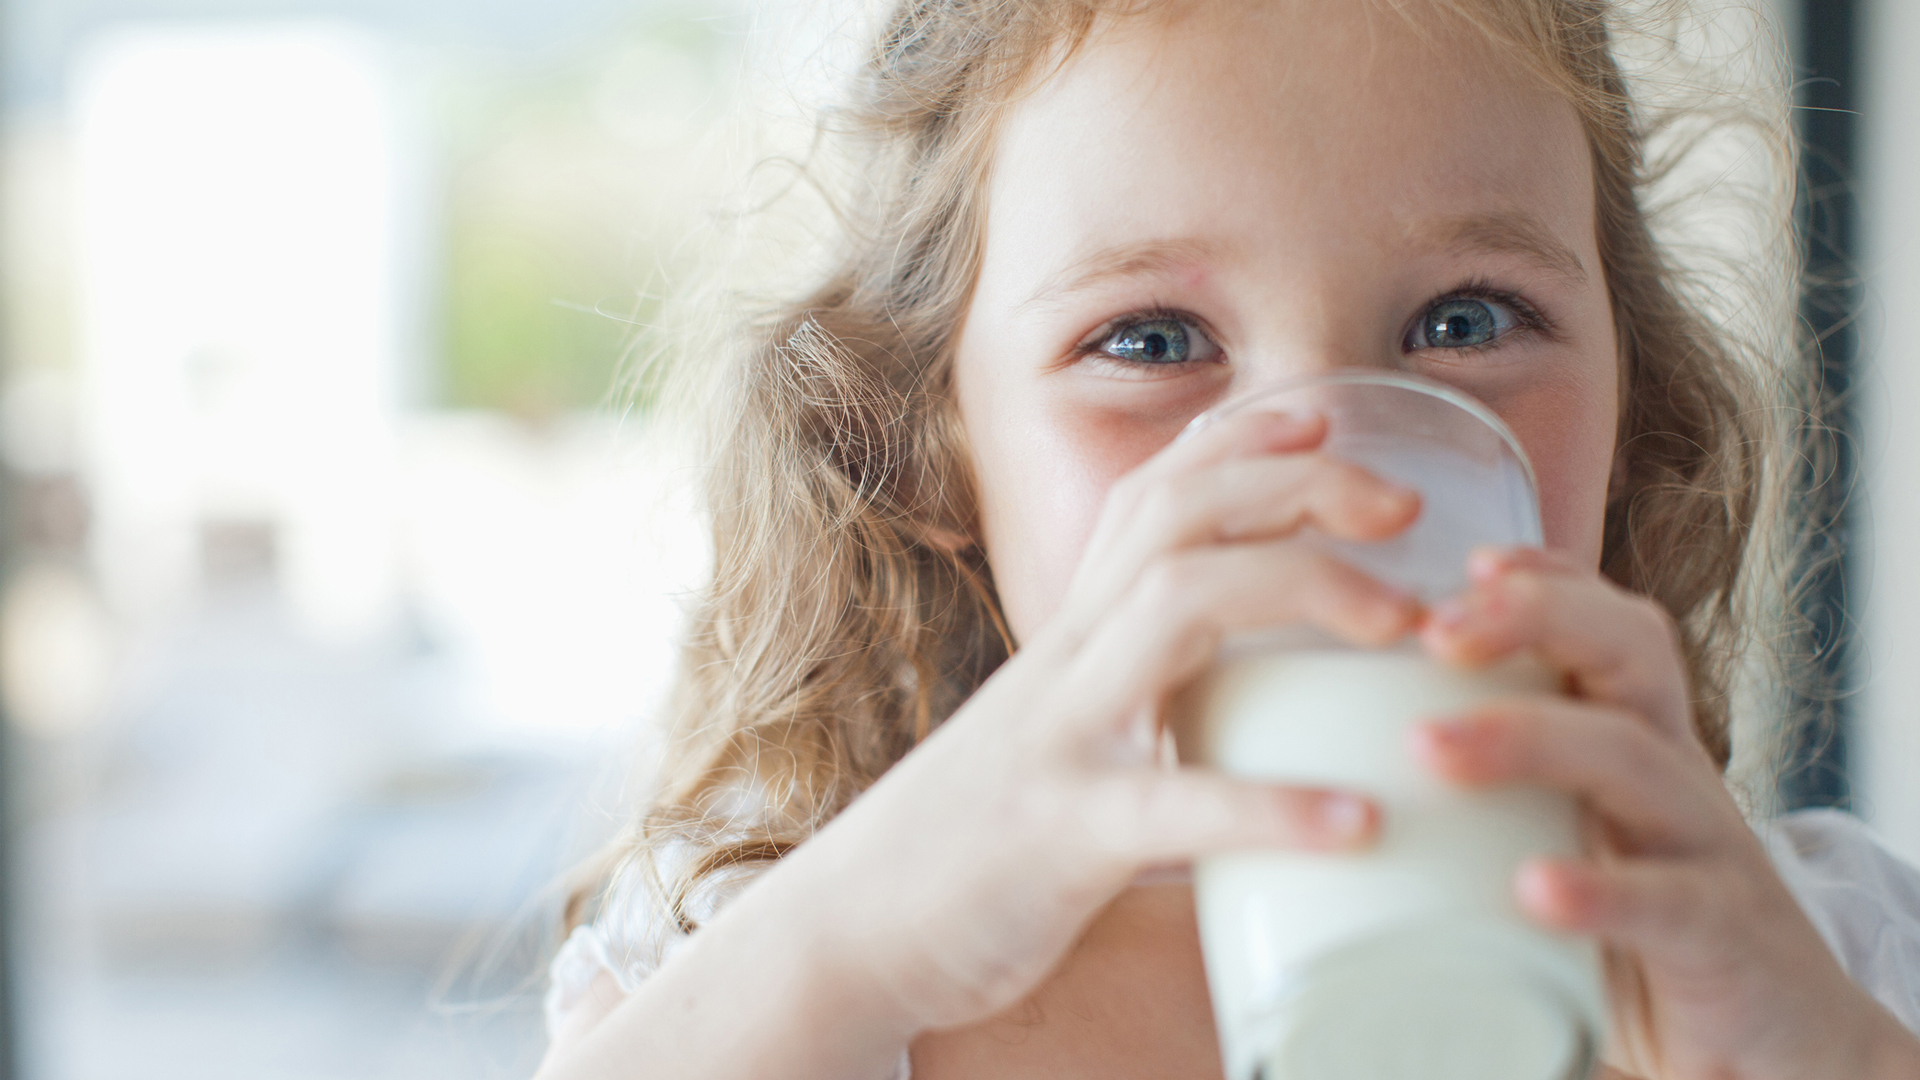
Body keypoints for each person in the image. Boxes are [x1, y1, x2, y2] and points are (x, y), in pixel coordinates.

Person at [533, 0, 1920, 1076]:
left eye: (1467, 322)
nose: (1325, 470)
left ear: (1634, 391)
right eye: (1151, 341)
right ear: (933, 450)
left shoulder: (1817, 958)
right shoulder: (771, 992)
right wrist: (846, 949)